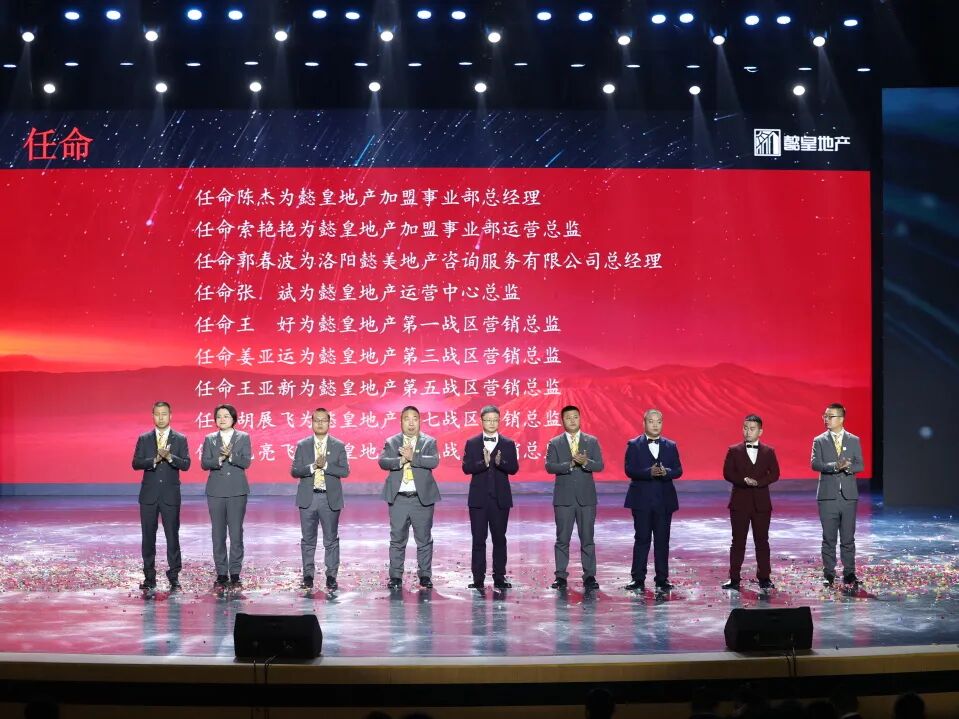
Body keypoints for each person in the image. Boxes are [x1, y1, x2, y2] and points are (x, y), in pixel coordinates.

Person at [378, 406, 441, 590]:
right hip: (399, 498)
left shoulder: (429, 441)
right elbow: (382, 461)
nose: (411, 423)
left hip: (422, 499)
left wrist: (413, 457)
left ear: (420, 421)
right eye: (407, 419)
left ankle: (425, 576)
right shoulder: (392, 442)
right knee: (397, 539)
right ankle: (396, 576)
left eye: (415, 419)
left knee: (424, 539)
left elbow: (434, 461)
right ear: (401, 421)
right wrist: (400, 461)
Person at [131, 401, 190, 591]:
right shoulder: (144, 438)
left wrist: (170, 457)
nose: (161, 417)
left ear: (170, 415)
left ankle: (174, 576)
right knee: (148, 537)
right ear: (153, 416)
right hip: (149, 495)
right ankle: (149, 577)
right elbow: (136, 463)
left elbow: (186, 464)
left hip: (170, 495)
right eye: (157, 414)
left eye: (164, 414)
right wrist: (154, 460)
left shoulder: (180, 439)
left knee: (172, 537)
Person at [545, 405, 604, 590]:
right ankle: (560, 576)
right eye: (568, 417)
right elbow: (549, 466)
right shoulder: (555, 442)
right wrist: (569, 464)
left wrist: (586, 462)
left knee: (588, 539)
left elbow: (599, 465)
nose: (572, 420)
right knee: (562, 539)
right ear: (562, 420)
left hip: (587, 499)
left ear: (580, 418)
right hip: (564, 499)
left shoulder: (591, 441)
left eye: (575, 417)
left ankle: (589, 576)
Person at [291, 407, 350, 591]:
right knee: (308, 540)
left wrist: (325, 466)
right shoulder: (303, 445)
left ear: (329, 423)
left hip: (329, 499)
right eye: (317, 420)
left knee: (331, 540)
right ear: (311, 423)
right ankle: (308, 576)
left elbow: (345, 471)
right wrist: (312, 466)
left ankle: (331, 576)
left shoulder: (338, 445)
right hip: (308, 498)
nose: (320, 423)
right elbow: (295, 471)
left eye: (324, 420)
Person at [623, 409, 683, 593]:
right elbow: (629, 470)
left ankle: (662, 579)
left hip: (664, 500)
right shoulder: (634, 444)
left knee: (662, 541)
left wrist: (667, 472)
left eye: (658, 421)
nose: (655, 425)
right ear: (644, 423)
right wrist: (648, 472)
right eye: (651, 421)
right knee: (642, 539)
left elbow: (678, 470)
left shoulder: (671, 445)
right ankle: (637, 579)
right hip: (641, 500)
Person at [462, 405, 520, 589]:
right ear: (481, 421)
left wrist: (500, 462)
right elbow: (466, 468)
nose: (492, 423)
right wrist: (484, 463)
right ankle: (478, 579)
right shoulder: (472, 443)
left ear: (499, 421)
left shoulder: (508, 443)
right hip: (478, 500)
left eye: (495, 420)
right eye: (488, 420)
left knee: (499, 539)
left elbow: (514, 468)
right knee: (478, 540)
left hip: (500, 500)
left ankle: (499, 577)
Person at [722, 414, 781, 591]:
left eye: (752, 429)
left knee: (762, 541)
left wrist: (759, 482)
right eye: (745, 428)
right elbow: (727, 473)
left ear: (760, 431)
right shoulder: (734, 450)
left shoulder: (769, 451)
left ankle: (764, 577)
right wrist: (743, 480)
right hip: (739, 503)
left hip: (761, 504)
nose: (748, 431)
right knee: (737, 542)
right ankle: (734, 578)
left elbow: (775, 474)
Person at [811, 403, 865, 587]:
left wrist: (848, 467)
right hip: (827, 497)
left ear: (841, 419)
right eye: (825, 416)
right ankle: (829, 574)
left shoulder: (854, 440)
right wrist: (835, 466)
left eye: (830, 416)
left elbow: (860, 464)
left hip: (848, 497)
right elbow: (815, 464)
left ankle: (849, 573)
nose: (826, 419)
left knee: (848, 539)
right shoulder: (819, 440)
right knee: (829, 538)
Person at [201, 403, 252, 588]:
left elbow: (246, 462)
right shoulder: (210, 439)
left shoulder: (243, 437)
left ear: (233, 419)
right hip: (215, 491)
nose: (222, 419)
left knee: (236, 533)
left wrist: (231, 456)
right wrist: (220, 459)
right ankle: (222, 573)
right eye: (219, 416)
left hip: (237, 490)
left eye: (226, 416)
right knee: (218, 533)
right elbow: (204, 463)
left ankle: (235, 572)